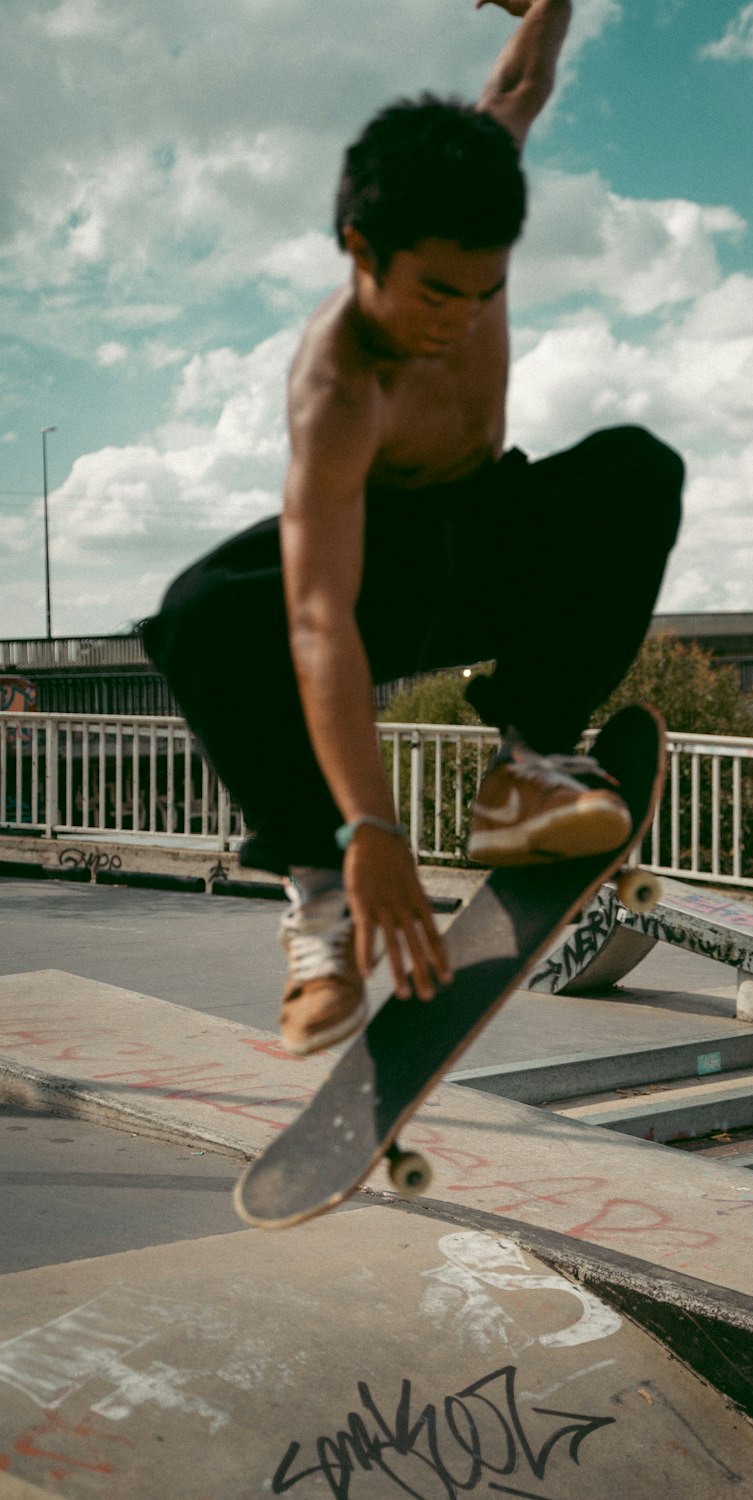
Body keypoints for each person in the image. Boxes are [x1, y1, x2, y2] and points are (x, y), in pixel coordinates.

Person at [142, 0, 684, 1057]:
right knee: (201, 614)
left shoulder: (467, 197)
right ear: (361, 248)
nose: (455, 322)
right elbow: (316, 623)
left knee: (634, 469)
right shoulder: (337, 383)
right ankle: (318, 912)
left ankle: (529, 763)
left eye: (482, 294)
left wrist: (551, 5)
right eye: (433, 293)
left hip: (486, 541)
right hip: (377, 578)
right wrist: (370, 832)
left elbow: (518, 93)